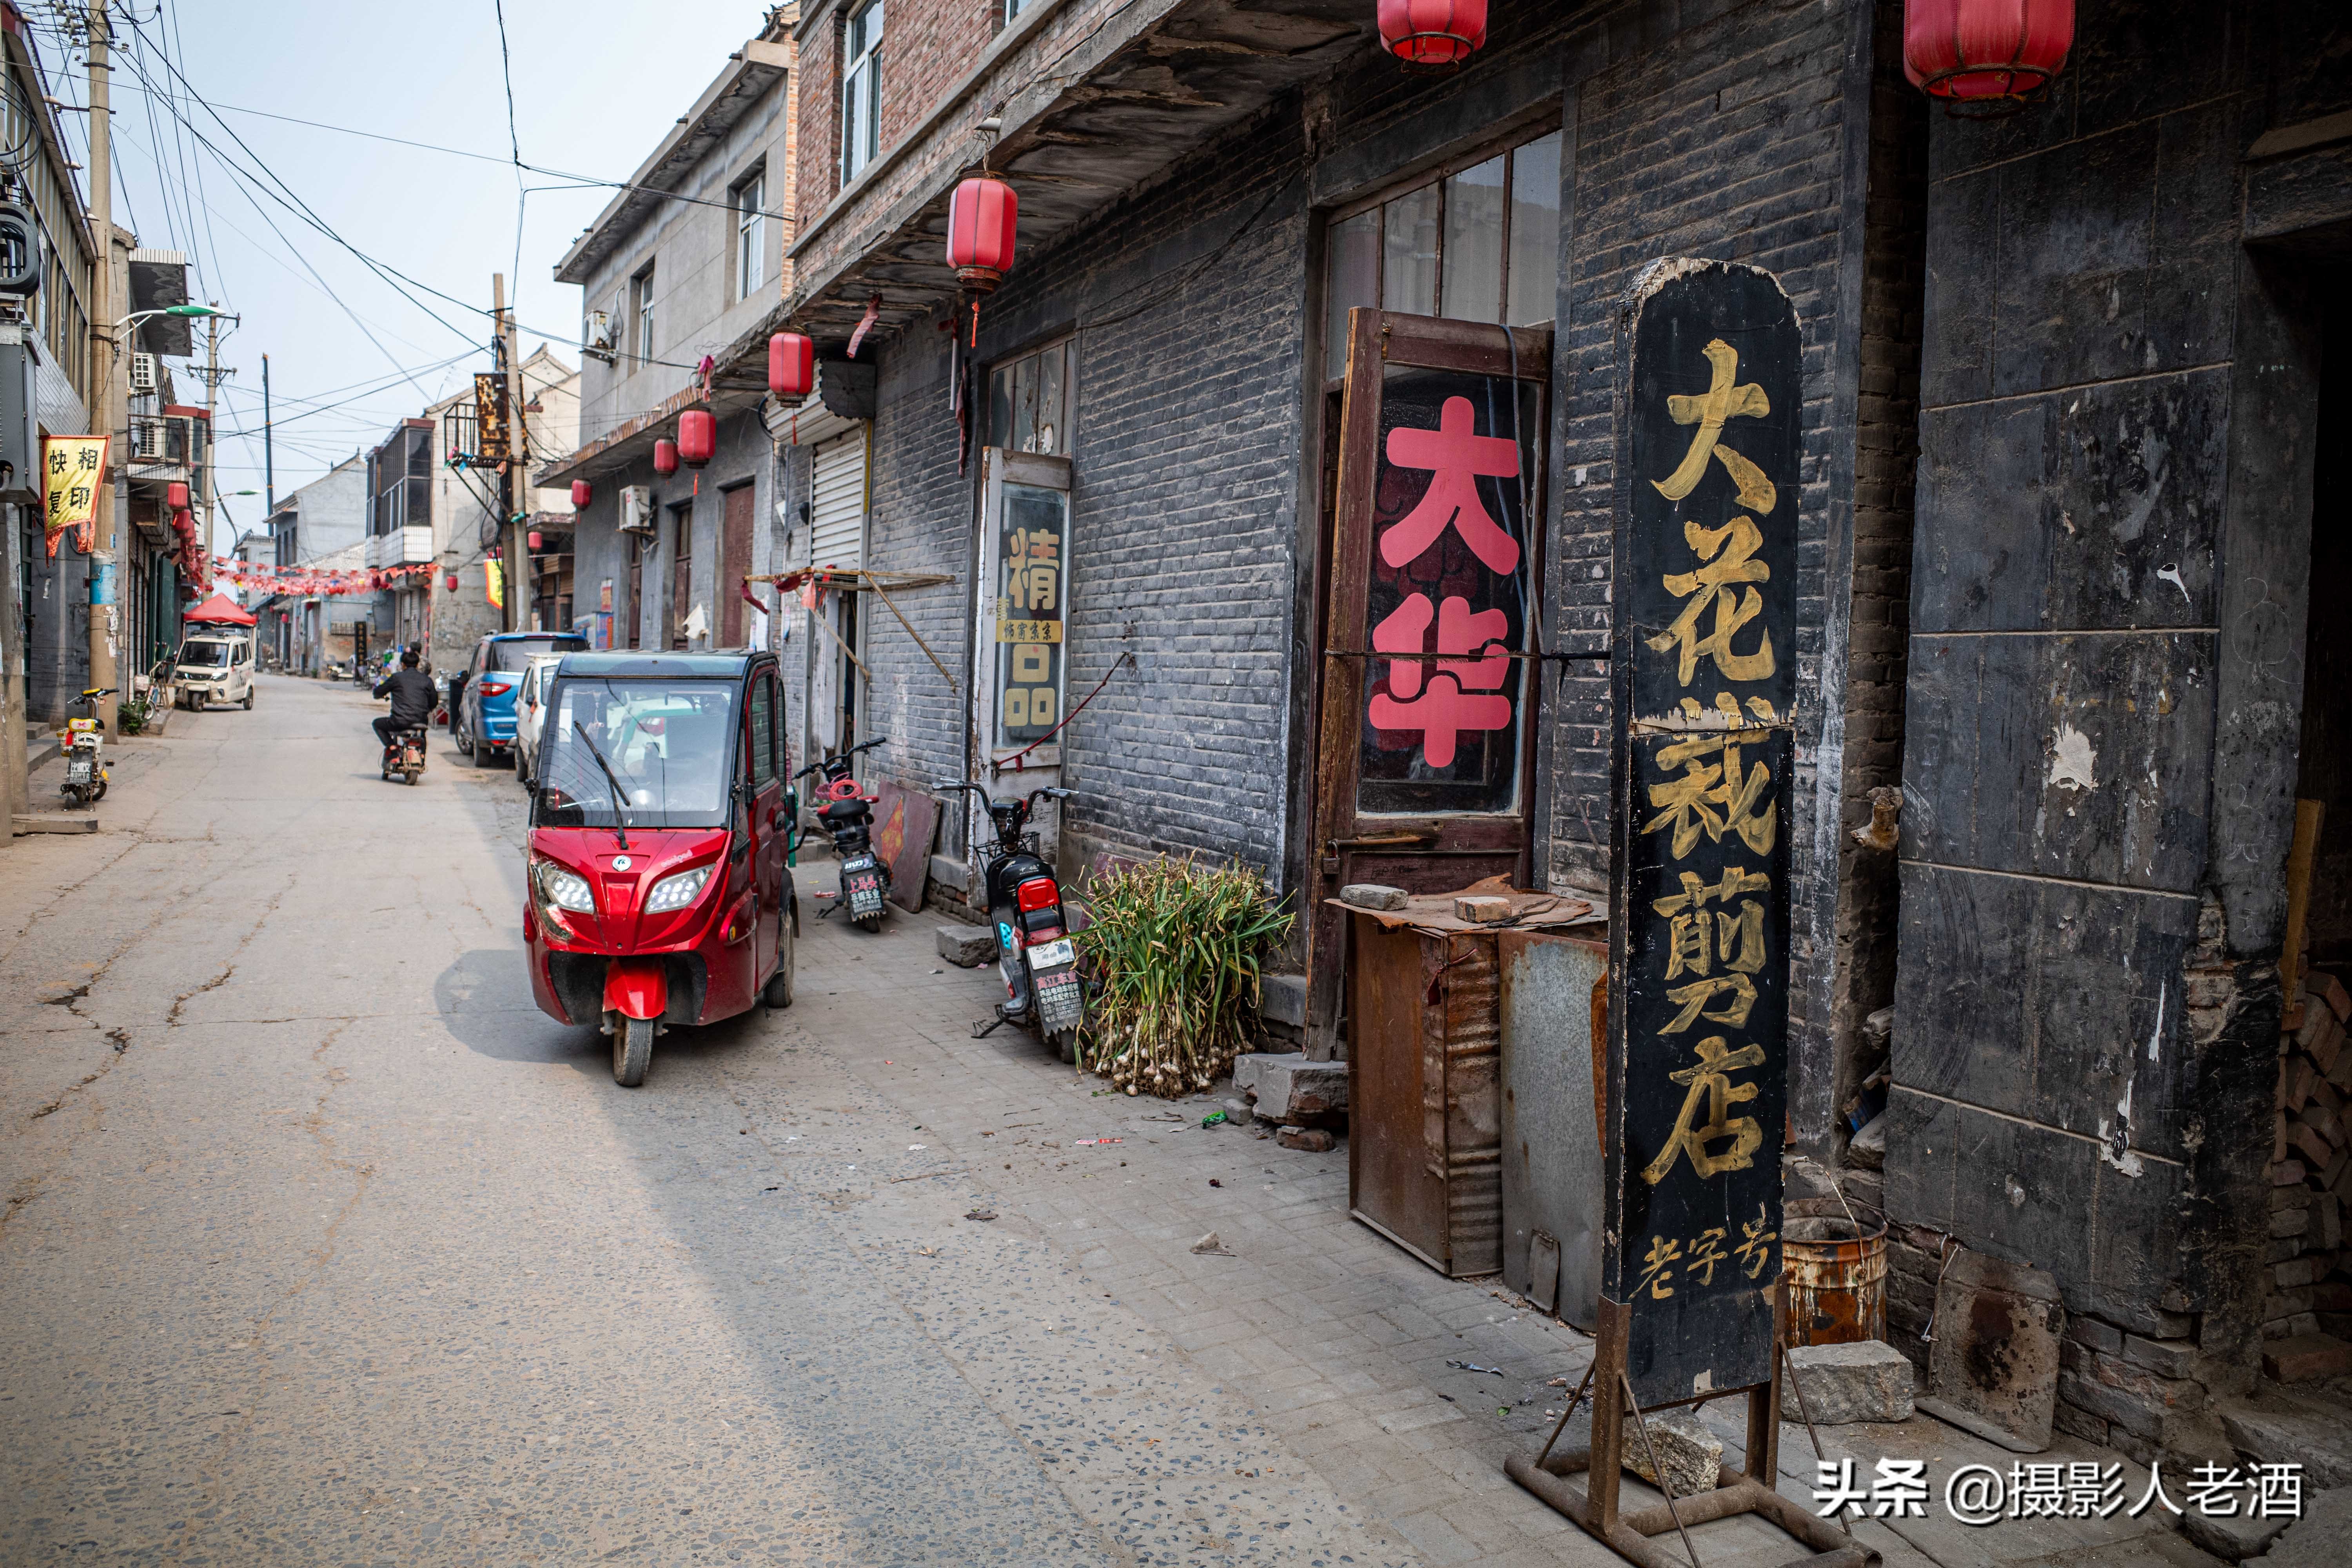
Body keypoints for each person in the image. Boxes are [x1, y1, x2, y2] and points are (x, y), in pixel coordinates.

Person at [372, 648, 437, 753]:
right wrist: (424, 710)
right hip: (421, 721)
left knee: (377, 724)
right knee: (421, 735)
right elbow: (434, 702)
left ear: (403, 664)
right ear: (417, 665)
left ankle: (393, 748)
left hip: (399, 722)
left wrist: (379, 694)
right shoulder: (427, 680)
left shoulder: (397, 678)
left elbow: (377, 693)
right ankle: (421, 758)